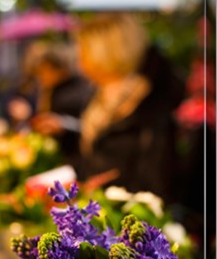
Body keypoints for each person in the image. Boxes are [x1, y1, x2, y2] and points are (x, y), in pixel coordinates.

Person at [74, 13, 185, 203]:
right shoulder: (102, 97)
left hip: (129, 220)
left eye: (83, 50)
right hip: (101, 211)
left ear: (103, 53)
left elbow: (156, 183)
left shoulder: (151, 104)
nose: (79, 60)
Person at [31, 42, 96, 170]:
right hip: (62, 159)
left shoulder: (80, 91)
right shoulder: (53, 90)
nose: (41, 76)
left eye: (44, 70)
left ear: (60, 69)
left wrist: (62, 124)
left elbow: (90, 126)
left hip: (79, 160)